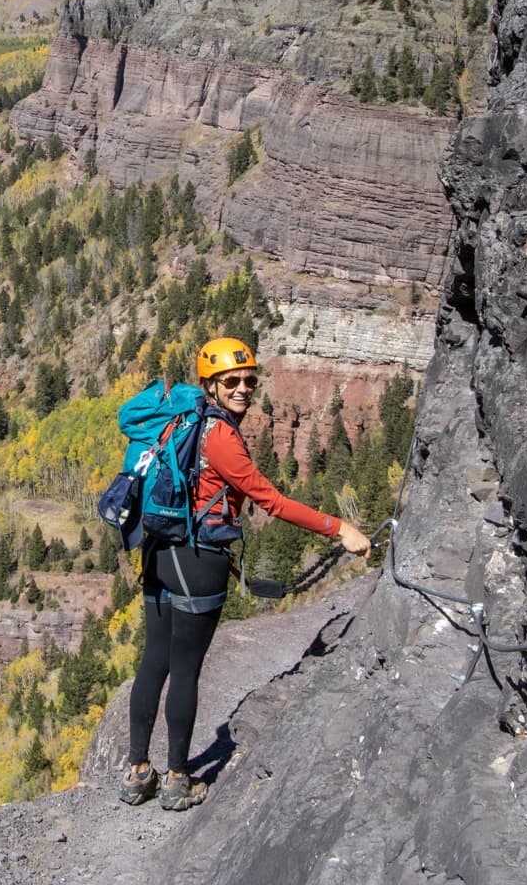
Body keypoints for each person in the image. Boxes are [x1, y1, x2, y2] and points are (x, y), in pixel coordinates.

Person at [120, 336, 372, 811]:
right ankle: (177, 778)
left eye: (248, 381)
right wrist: (339, 528)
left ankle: (136, 773)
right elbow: (271, 501)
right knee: (185, 670)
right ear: (210, 385)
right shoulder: (221, 437)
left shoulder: (179, 421)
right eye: (231, 381)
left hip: (157, 551)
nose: (242, 389)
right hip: (197, 563)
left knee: (154, 662)